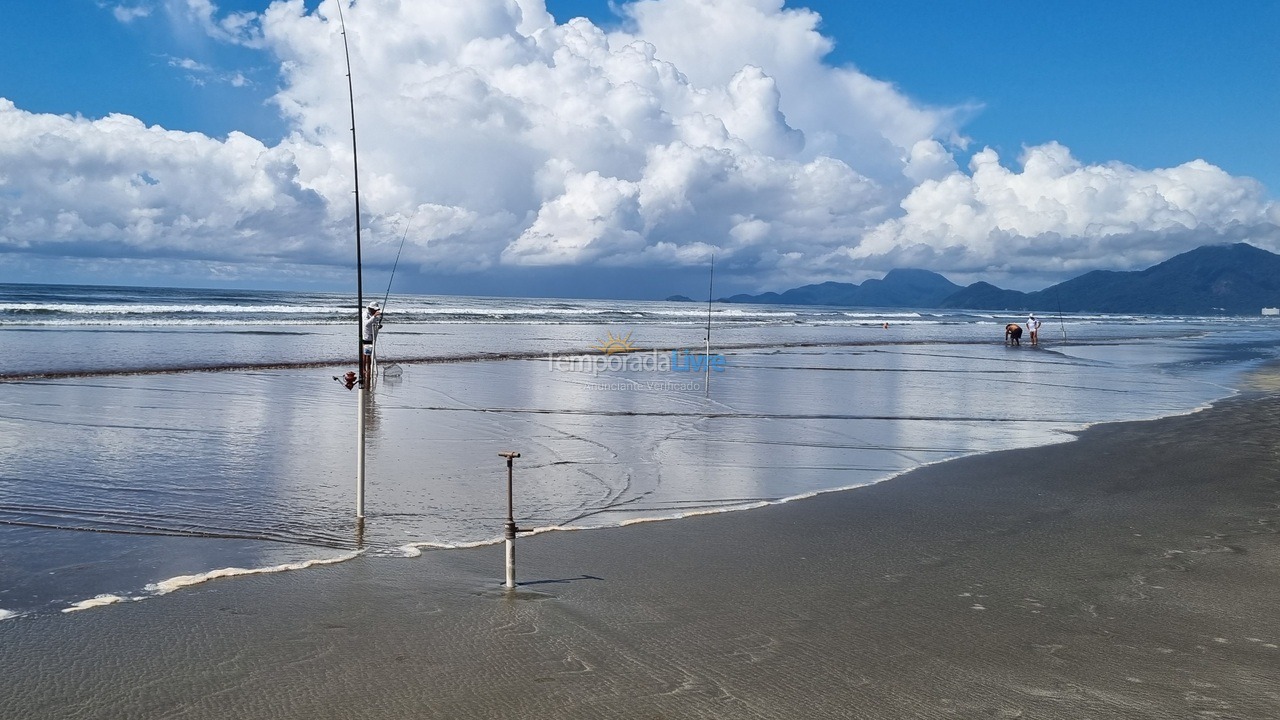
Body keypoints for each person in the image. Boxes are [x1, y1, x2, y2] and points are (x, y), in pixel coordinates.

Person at [361, 302, 382, 381]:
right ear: (371, 309)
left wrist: (378, 325)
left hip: (372, 335)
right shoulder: (365, 314)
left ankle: (369, 369)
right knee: (366, 354)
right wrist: (374, 316)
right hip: (366, 336)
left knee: (369, 354)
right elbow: (366, 324)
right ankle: (364, 369)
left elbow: (374, 322)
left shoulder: (373, 315)